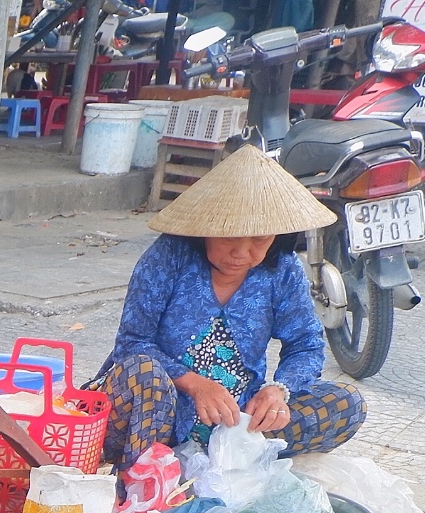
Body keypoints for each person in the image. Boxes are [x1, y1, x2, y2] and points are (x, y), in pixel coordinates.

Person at [92, 146, 366, 467]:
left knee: (345, 404)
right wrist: (196, 386)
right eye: (229, 239)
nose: (242, 253)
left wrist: (278, 391)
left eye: (259, 240)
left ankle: (232, 457)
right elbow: (131, 346)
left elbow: (306, 345)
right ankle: (144, 475)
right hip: (155, 414)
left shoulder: (284, 270)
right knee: (145, 373)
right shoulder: (168, 256)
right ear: (205, 231)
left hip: (235, 418)